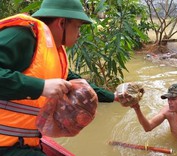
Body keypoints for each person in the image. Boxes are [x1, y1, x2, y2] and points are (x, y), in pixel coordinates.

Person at [0, 0, 117, 155]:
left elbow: (78, 84)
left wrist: (114, 97)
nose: (79, 33)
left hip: (23, 143)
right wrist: (40, 87)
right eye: (78, 26)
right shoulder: (22, 35)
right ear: (62, 23)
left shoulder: (53, 51)